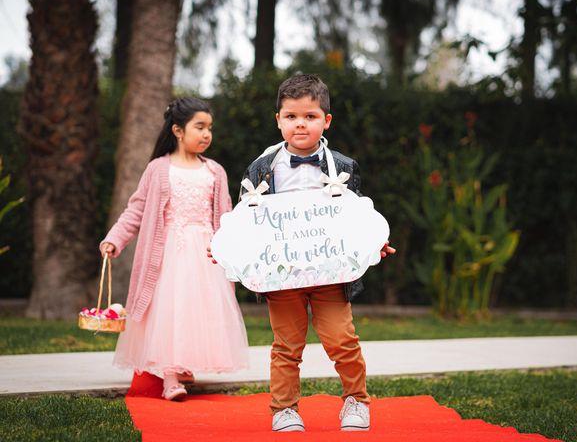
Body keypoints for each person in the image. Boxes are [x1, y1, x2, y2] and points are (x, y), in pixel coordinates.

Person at [238, 74, 395, 431]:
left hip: (332, 274)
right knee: (286, 345)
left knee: (342, 339)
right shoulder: (261, 168)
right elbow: (246, 220)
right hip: (282, 275)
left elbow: (356, 216)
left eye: (309, 116)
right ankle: (284, 408)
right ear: (278, 120)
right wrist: (234, 250)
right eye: (291, 116)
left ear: (326, 121)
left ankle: (356, 400)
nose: (300, 124)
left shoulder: (344, 166)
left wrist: (372, 243)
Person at [100, 97, 249, 401]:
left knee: (198, 311)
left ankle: (185, 363)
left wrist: (234, 247)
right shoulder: (158, 169)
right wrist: (115, 238)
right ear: (179, 130)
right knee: (172, 310)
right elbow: (136, 209)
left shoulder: (215, 172)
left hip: (205, 253)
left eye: (210, 128)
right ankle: (170, 377)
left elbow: (226, 215)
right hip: (168, 252)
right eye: (200, 127)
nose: (207, 134)